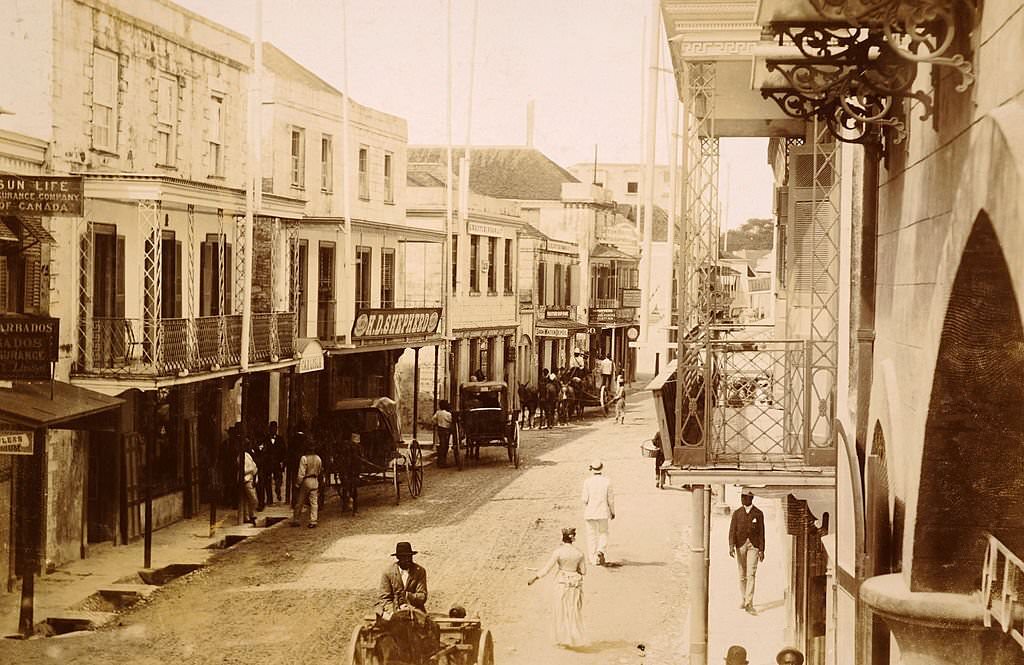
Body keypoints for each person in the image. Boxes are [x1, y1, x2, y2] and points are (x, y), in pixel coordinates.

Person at [527, 527, 586, 648]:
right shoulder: (579, 553)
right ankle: (573, 638)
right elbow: (583, 571)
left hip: (561, 582)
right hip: (575, 584)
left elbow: (547, 569)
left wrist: (535, 578)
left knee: (560, 610)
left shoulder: (558, 552)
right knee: (573, 610)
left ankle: (562, 639)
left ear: (563, 538)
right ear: (573, 538)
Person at [729, 491, 765, 614]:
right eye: (742, 497)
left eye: (746, 497)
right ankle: (744, 598)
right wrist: (731, 546)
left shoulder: (758, 513)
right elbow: (732, 530)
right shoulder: (737, 513)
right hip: (740, 546)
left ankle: (749, 602)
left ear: (752, 498)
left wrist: (761, 549)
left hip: (753, 546)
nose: (743, 499)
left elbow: (762, 533)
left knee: (751, 574)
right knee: (742, 575)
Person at [376, 541, 428, 617]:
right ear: (398, 557)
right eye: (404, 557)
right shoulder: (388, 572)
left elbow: (422, 596)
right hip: (393, 610)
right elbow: (384, 598)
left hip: (415, 610)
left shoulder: (419, 571)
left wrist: (408, 596)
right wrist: (395, 611)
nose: (407, 559)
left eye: (409, 556)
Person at [581, 460, 614, 566]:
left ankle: (592, 558)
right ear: (602, 468)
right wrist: (612, 512)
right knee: (603, 532)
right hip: (603, 512)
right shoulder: (607, 481)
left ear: (592, 469)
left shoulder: (587, 482)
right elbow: (610, 499)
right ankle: (601, 550)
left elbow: (584, 499)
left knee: (591, 535)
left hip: (590, 512)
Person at [292, 433, 323, 528]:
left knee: (300, 501)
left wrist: (298, 483)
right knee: (314, 502)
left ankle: (296, 519)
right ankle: (313, 521)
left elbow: (301, 473)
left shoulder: (304, 458)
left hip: (306, 480)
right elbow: (320, 469)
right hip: (315, 480)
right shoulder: (318, 458)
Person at [266, 420, 286, 503]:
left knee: (278, 480)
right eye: (272, 428)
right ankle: (269, 499)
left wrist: (283, 463)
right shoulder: (265, 439)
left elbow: (284, 451)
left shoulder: (280, 440)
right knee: (267, 481)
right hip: (268, 463)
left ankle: (278, 491)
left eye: (275, 428)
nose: (273, 430)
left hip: (277, 463)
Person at [240, 443, 259, 526]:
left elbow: (255, 467)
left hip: (250, 479)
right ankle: (250, 515)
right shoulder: (240, 457)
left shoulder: (248, 455)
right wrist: (251, 470)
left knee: (248, 500)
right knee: (253, 498)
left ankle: (249, 516)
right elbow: (243, 470)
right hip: (245, 480)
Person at [432, 400, 453, 467]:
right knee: (445, 445)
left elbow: (433, 419)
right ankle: (443, 461)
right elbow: (451, 421)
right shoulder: (448, 414)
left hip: (440, 429)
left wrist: (436, 423)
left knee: (441, 444)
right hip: (446, 430)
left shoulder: (438, 413)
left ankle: (440, 461)